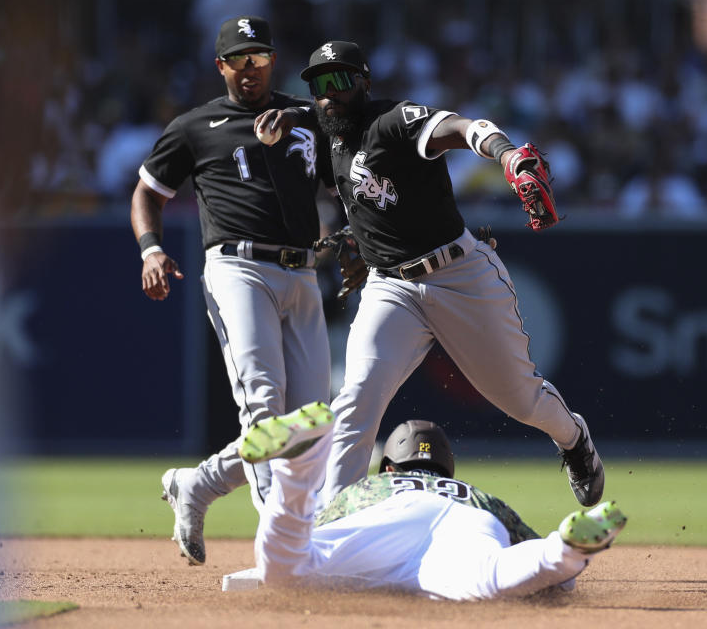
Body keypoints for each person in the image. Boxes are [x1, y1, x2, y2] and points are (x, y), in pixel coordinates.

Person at [254, 41, 605, 511]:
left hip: (458, 273)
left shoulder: (393, 121)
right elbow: (308, 116)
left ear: (365, 81)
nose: (329, 93)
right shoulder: (325, 128)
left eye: (340, 80)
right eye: (319, 84)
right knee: (356, 398)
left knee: (520, 398)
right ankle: (332, 527)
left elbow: (464, 127)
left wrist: (507, 156)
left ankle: (575, 439)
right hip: (390, 287)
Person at [131, 16, 333, 566]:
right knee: (265, 410)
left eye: (260, 57)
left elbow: (345, 181)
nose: (251, 69)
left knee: (311, 423)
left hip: (303, 269)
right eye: (239, 59)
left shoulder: (306, 117)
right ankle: (282, 553)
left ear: (273, 60)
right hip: (238, 268)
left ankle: (199, 484)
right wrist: (151, 248)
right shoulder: (196, 125)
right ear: (220, 65)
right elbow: (147, 192)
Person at [237, 403, 627, 600]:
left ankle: (300, 464)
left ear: (389, 466)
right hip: (466, 522)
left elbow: (317, 529)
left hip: (382, 516)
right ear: (447, 469)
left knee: (287, 571)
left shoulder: (370, 488)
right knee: (490, 576)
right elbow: (533, 553)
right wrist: (561, 573)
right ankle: (565, 548)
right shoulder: (477, 496)